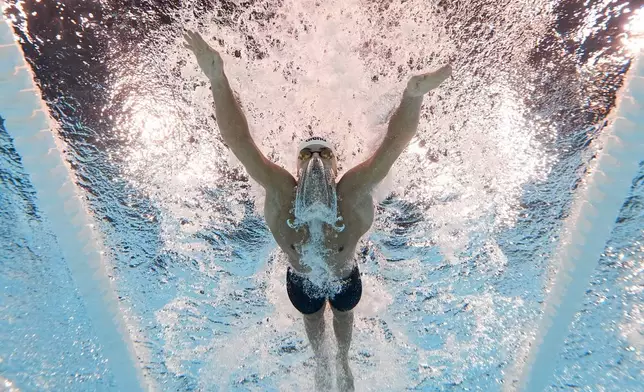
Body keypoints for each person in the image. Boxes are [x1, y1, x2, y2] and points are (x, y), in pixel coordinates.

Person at [183, 29, 451, 391]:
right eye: (307, 154)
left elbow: (393, 146)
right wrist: (217, 77)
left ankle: (341, 360)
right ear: (297, 166)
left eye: (324, 153)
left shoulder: (351, 191)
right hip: (301, 282)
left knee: (342, 319)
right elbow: (240, 144)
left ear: (335, 167)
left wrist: (412, 96)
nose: (315, 159)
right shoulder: (281, 191)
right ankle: (321, 364)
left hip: (345, 279)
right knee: (312, 323)